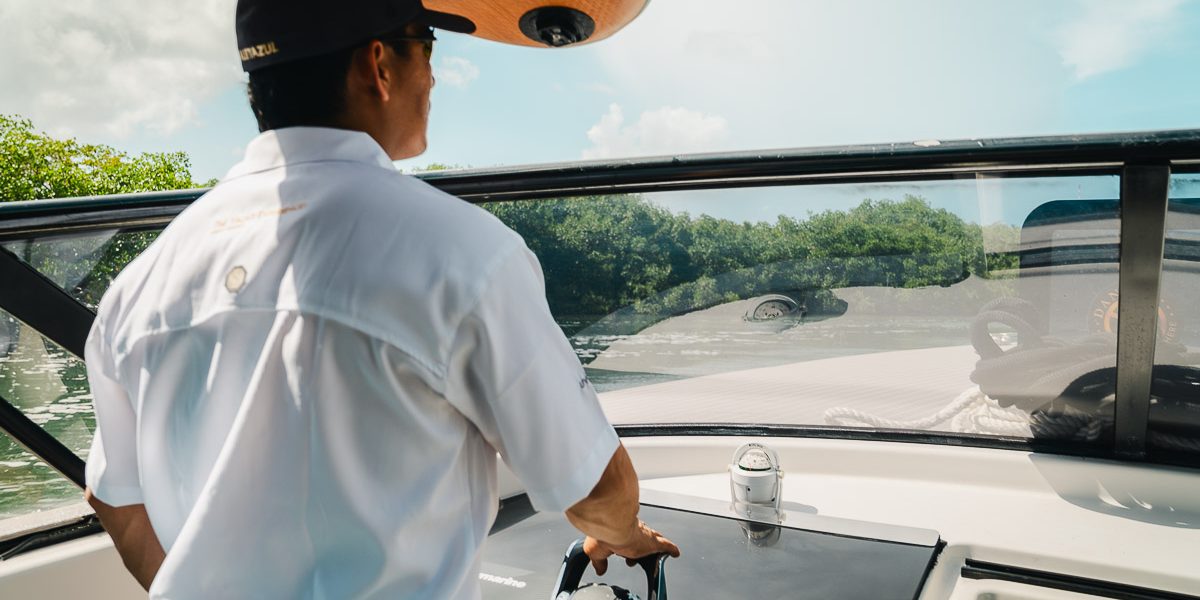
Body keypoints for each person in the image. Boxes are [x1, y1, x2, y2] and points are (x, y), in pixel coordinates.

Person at [81, 0, 679, 597]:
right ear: (379, 65)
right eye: (427, 46)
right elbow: (594, 489)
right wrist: (625, 536)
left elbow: (116, 501)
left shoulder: (139, 284)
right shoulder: (463, 253)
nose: (434, 74)